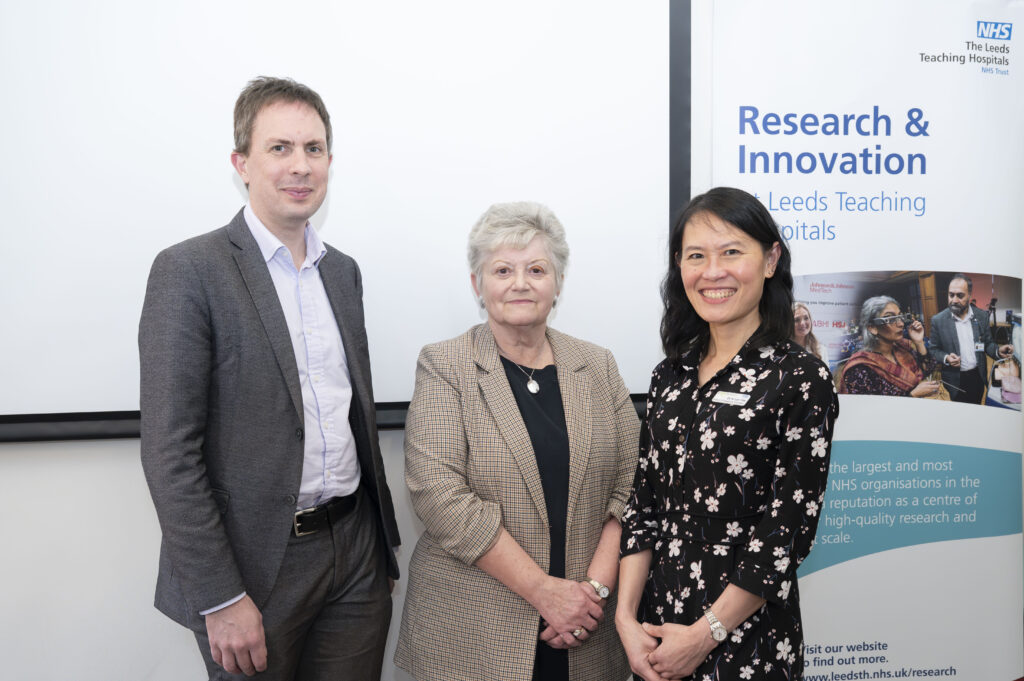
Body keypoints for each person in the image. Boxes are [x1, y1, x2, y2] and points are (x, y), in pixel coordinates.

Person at [139, 77, 400, 680]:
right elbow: (169, 451)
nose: (300, 166)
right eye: (280, 148)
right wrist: (220, 596)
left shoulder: (344, 274)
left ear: (330, 161)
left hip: (355, 553)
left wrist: (378, 547)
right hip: (254, 565)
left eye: (314, 149)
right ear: (242, 163)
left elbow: (350, 413)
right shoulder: (189, 271)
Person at [394, 202, 639, 681]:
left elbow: (633, 482)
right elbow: (438, 494)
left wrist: (591, 594)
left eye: (537, 269)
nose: (520, 283)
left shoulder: (598, 365)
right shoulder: (445, 365)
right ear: (477, 284)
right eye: (502, 269)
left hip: (587, 630)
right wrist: (545, 593)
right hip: (475, 631)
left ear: (559, 283)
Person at [616, 187, 839, 681]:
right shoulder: (669, 375)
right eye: (696, 256)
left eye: (731, 252)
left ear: (770, 259)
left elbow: (786, 531)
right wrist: (626, 619)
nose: (712, 272)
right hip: (656, 630)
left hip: (746, 636)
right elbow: (644, 505)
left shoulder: (800, 378)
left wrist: (704, 635)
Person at [927, 274, 1014, 404]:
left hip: (977, 376)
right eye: (951, 295)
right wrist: (946, 358)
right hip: (955, 380)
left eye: (960, 295)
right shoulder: (938, 320)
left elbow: (987, 343)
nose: (954, 300)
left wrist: (997, 350)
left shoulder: (981, 316)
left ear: (969, 295)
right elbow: (933, 349)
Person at [838, 296, 941, 398]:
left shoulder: (902, 348)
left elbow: (929, 368)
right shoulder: (860, 368)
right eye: (890, 319)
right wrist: (912, 395)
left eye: (900, 317)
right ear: (872, 327)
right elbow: (869, 411)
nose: (901, 324)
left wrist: (919, 342)